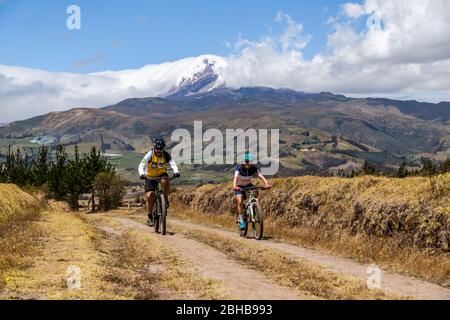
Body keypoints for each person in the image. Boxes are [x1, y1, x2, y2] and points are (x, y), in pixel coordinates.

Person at [138, 138, 180, 227]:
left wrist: (176, 171)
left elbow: (172, 163)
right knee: (150, 195)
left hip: (161, 174)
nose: (159, 151)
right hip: (149, 176)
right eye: (157, 148)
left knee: (166, 181)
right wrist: (142, 174)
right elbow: (141, 165)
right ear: (154, 147)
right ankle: (149, 217)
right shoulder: (149, 154)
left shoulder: (165, 155)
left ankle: (165, 198)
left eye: (161, 149)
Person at [233, 151, 271, 235]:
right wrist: (235, 186)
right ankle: (241, 219)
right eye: (246, 161)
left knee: (255, 191)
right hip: (239, 186)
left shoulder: (253, 168)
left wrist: (266, 184)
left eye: (249, 161)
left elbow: (260, 176)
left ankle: (253, 207)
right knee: (240, 201)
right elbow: (235, 177)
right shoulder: (239, 168)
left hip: (248, 185)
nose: (248, 163)